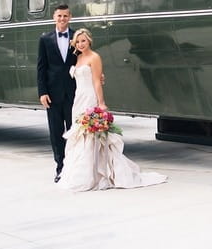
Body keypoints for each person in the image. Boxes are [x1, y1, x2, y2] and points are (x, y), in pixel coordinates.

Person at [58, 28, 167, 191]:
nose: (81, 44)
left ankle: (96, 173)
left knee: (92, 135)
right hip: (78, 99)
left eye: (84, 41)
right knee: (79, 134)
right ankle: (78, 172)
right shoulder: (78, 58)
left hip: (89, 97)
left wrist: (101, 103)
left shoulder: (95, 57)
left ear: (89, 41)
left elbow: (96, 81)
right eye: (78, 41)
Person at [37, 4, 77, 183]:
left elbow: (85, 59)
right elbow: (41, 68)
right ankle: (60, 167)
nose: (62, 19)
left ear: (70, 17)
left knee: (74, 131)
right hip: (52, 94)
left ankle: (74, 166)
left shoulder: (77, 36)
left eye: (65, 16)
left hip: (73, 93)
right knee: (56, 132)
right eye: (59, 16)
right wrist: (42, 92)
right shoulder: (45, 39)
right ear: (54, 17)